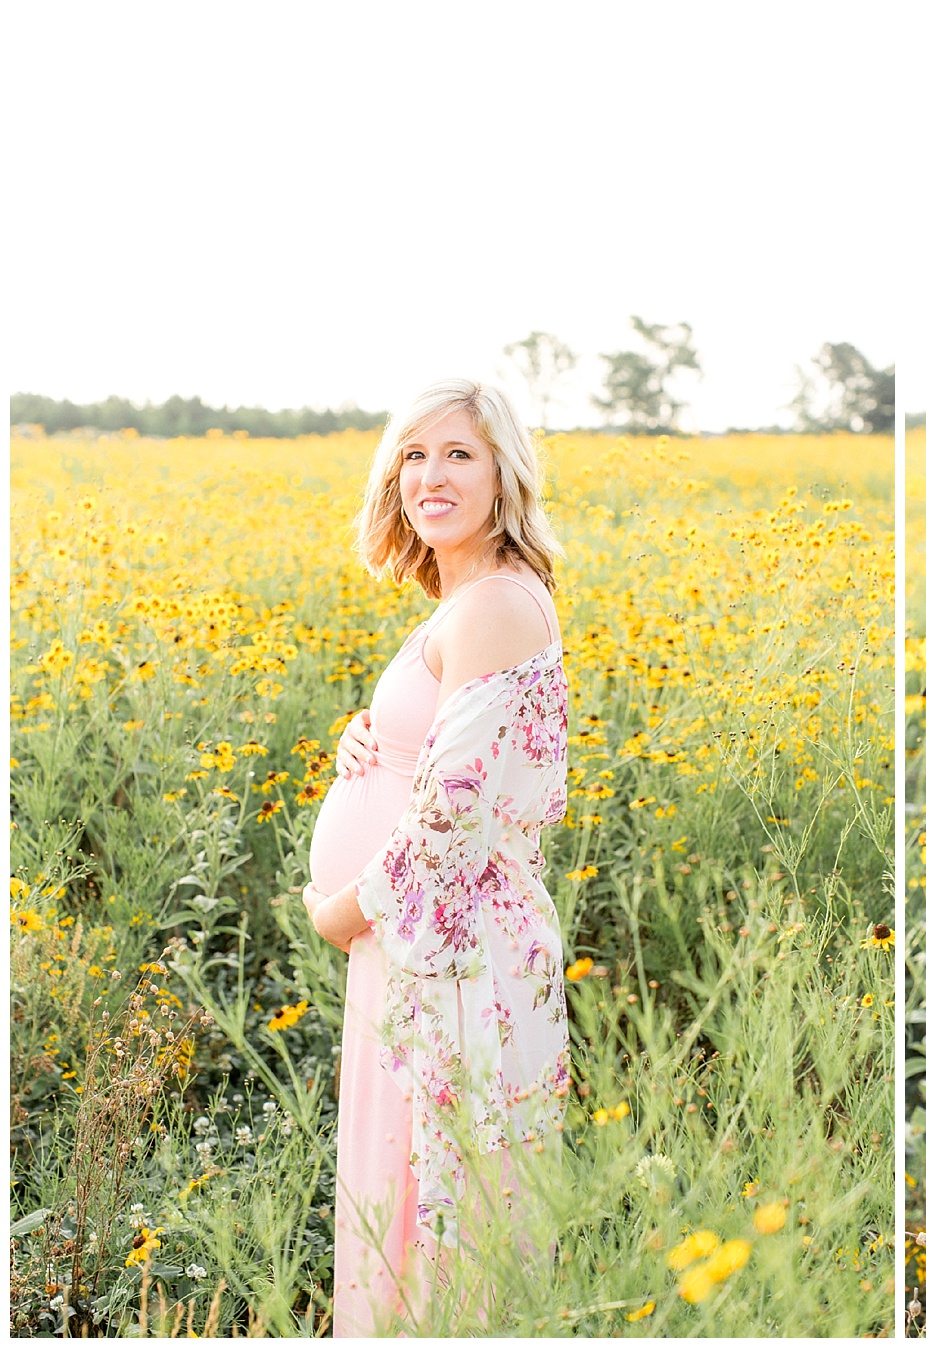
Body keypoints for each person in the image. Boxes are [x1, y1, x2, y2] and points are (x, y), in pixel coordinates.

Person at [302, 378, 571, 1336]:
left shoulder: (495, 605)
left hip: (453, 960)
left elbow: (453, 830)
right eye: (413, 456)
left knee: (445, 1227)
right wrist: (367, 736)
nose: (431, 476)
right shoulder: (466, 603)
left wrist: (336, 911)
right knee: (408, 1211)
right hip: (423, 949)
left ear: (504, 472)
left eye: (458, 453)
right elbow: (447, 756)